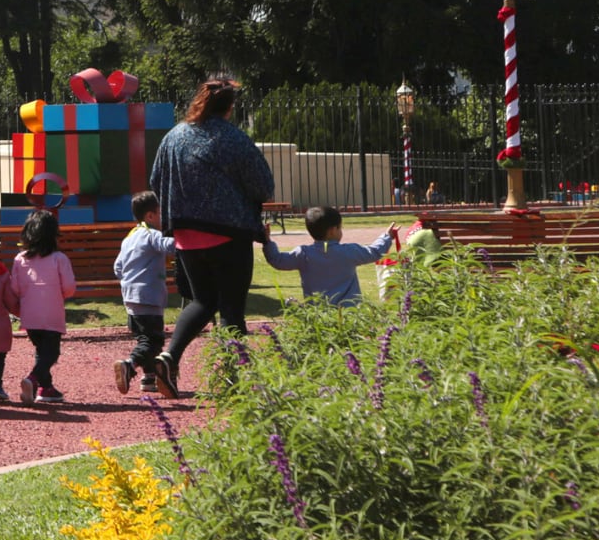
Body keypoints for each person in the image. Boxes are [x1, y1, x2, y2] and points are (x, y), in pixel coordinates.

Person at [148, 74, 273, 397]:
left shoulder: (174, 136)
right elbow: (263, 186)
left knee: (202, 301)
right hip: (229, 234)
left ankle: (169, 356)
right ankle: (236, 380)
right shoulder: (234, 139)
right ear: (229, 107)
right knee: (231, 309)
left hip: (186, 236)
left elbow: (155, 179)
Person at [262, 207, 400, 307]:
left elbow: (277, 260)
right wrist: (387, 237)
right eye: (340, 228)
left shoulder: (303, 254)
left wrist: (267, 241)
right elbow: (375, 252)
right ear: (332, 231)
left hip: (317, 313)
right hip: (348, 313)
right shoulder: (348, 251)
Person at [9, 211, 78, 405]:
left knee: (42, 351)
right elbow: (69, 288)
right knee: (51, 353)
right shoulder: (59, 258)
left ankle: (46, 388)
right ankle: (32, 378)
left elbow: (15, 288)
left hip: (29, 315)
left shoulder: (20, 259)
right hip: (52, 314)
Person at [113, 193, 177, 395]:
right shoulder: (152, 234)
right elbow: (169, 246)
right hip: (149, 296)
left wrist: (129, 280)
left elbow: (117, 267)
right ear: (150, 216)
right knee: (154, 341)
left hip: (130, 297)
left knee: (144, 338)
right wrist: (184, 237)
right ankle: (129, 365)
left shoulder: (129, 238)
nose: (164, 217)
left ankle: (149, 377)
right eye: (161, 213)